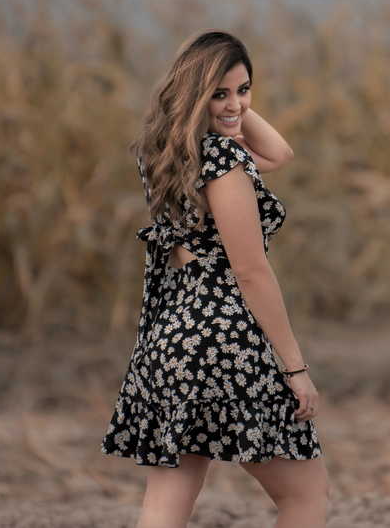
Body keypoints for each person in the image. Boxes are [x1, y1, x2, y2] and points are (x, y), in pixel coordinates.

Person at [101, 30, 329, 528]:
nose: (236, 105)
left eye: (244, 90)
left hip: (170, 340)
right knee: (306, 496)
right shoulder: (223, 161)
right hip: (222, 340)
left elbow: (279, 154)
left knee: (165, 502)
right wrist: (295, 368)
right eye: (218, 94)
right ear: (193, 94)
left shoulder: (161, 154)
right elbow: (250, 270)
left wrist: (227, 104)